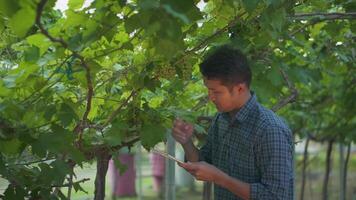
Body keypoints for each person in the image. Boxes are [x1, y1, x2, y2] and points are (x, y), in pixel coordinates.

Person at [172, 45, 294, 200]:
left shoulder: (270, 130)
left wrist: (221, 179)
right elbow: (204, 163)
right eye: (208, 90)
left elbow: (276, 196)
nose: (211, 97)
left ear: (240, 89)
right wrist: (186, 141)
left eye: (216, 92)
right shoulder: (220, 120)